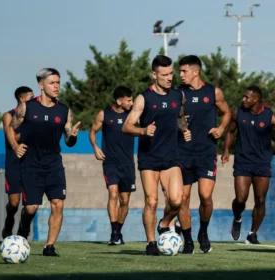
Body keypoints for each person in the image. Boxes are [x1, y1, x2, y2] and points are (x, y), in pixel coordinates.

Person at [7, 68, 81, 257]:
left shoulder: (64, 110)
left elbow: (68, 142)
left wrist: (72, 136)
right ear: (41, 85)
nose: (56, 86)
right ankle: (24, 227)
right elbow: (10, 127)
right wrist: (16, 146)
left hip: (54, 164)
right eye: (52, 83)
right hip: (30, 164)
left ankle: (49, 246)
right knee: (31, 208)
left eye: (58, 82)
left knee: (58, 204)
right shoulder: (27, 107)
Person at [122, 55, 191, 256]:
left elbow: (179, 116)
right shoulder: (144, 98)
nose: (170, 78)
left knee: (177, 200)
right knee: (151, 201)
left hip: (171, 156)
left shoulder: (178, 95)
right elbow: (127, 126)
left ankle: (165, 223)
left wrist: (184, 129)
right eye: (165, 74)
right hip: (149, 158)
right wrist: (143, 131)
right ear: (154, 75)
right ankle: (151, 242)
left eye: (171, 73)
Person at [221, 86, 275, 244]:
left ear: (256, 99)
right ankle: (237, 218)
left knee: (260, 200)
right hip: (243, 161)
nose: (243, 99)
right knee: (241, 199)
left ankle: (252, 234)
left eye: (247, 97)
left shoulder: (270, 116)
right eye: (244, 97)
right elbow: (230, 131)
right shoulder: (239, 113)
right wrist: (226, 150)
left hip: (262, 163)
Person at [176, 55, 231, 254]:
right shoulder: (177, 94)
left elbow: (226, 112)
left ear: (195, 71)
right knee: (183, 199)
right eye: (179, 71)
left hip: (206, 153)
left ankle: (203, 232)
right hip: (182, 152)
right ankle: (188, 239)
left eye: (184, 71)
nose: (180, 75)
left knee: (205, 196)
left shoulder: (213, 92)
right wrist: (181, 125)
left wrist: (221, 128)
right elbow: (172, 119)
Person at [89, 86, 135, 246]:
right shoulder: (104, 114)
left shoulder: (133, 114)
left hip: (128, 164)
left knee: (124, 200)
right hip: (110, 163)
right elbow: (93, 131)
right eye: (129, 100)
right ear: (119, 101)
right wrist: (95, 147)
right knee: (113, 193)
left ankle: (118, 231)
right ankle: (114, 232)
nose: (132, 102)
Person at [1, 86, 34, 238]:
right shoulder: (9, 115)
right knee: (14, 203)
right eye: (30, 98)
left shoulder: (35, 116)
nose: (34, 101)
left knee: (31, 205)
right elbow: (11, 137)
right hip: (14, 163)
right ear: (22, 99)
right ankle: (9, 221)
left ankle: (23, 230)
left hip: (32, 164)